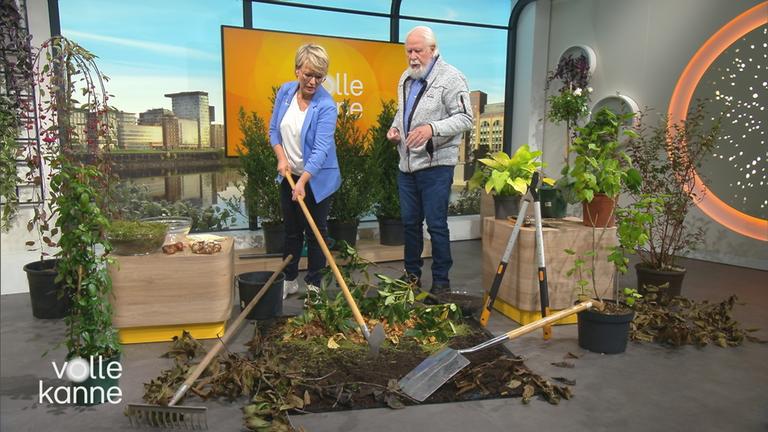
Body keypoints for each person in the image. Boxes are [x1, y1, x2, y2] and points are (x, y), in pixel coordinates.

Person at [386, 26, 473, 294]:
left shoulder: (452, 78)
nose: (412, 57)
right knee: (410, 224)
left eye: (418, 51)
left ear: (433, 50)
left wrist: (431, 129)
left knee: (436, 225)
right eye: (408, 51)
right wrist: (395, 129)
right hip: (407, 166)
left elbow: (465, 118)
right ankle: (411, 278)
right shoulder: (405, 77)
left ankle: (441, 283)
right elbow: (403, 112)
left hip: (436, 166)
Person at [269, 43, 340, 302]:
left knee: (315, 232)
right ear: (297, 70)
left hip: (317, 178)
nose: (313, 82)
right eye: (308, 74)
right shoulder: (286, 92)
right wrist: (281, 158)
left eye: (319, 76)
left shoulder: (326, 105)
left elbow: (320, 150)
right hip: (289, 174)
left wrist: (303, 182)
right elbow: (273, 131)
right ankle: (289, 280)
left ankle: (314, 285)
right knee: (291, 230)